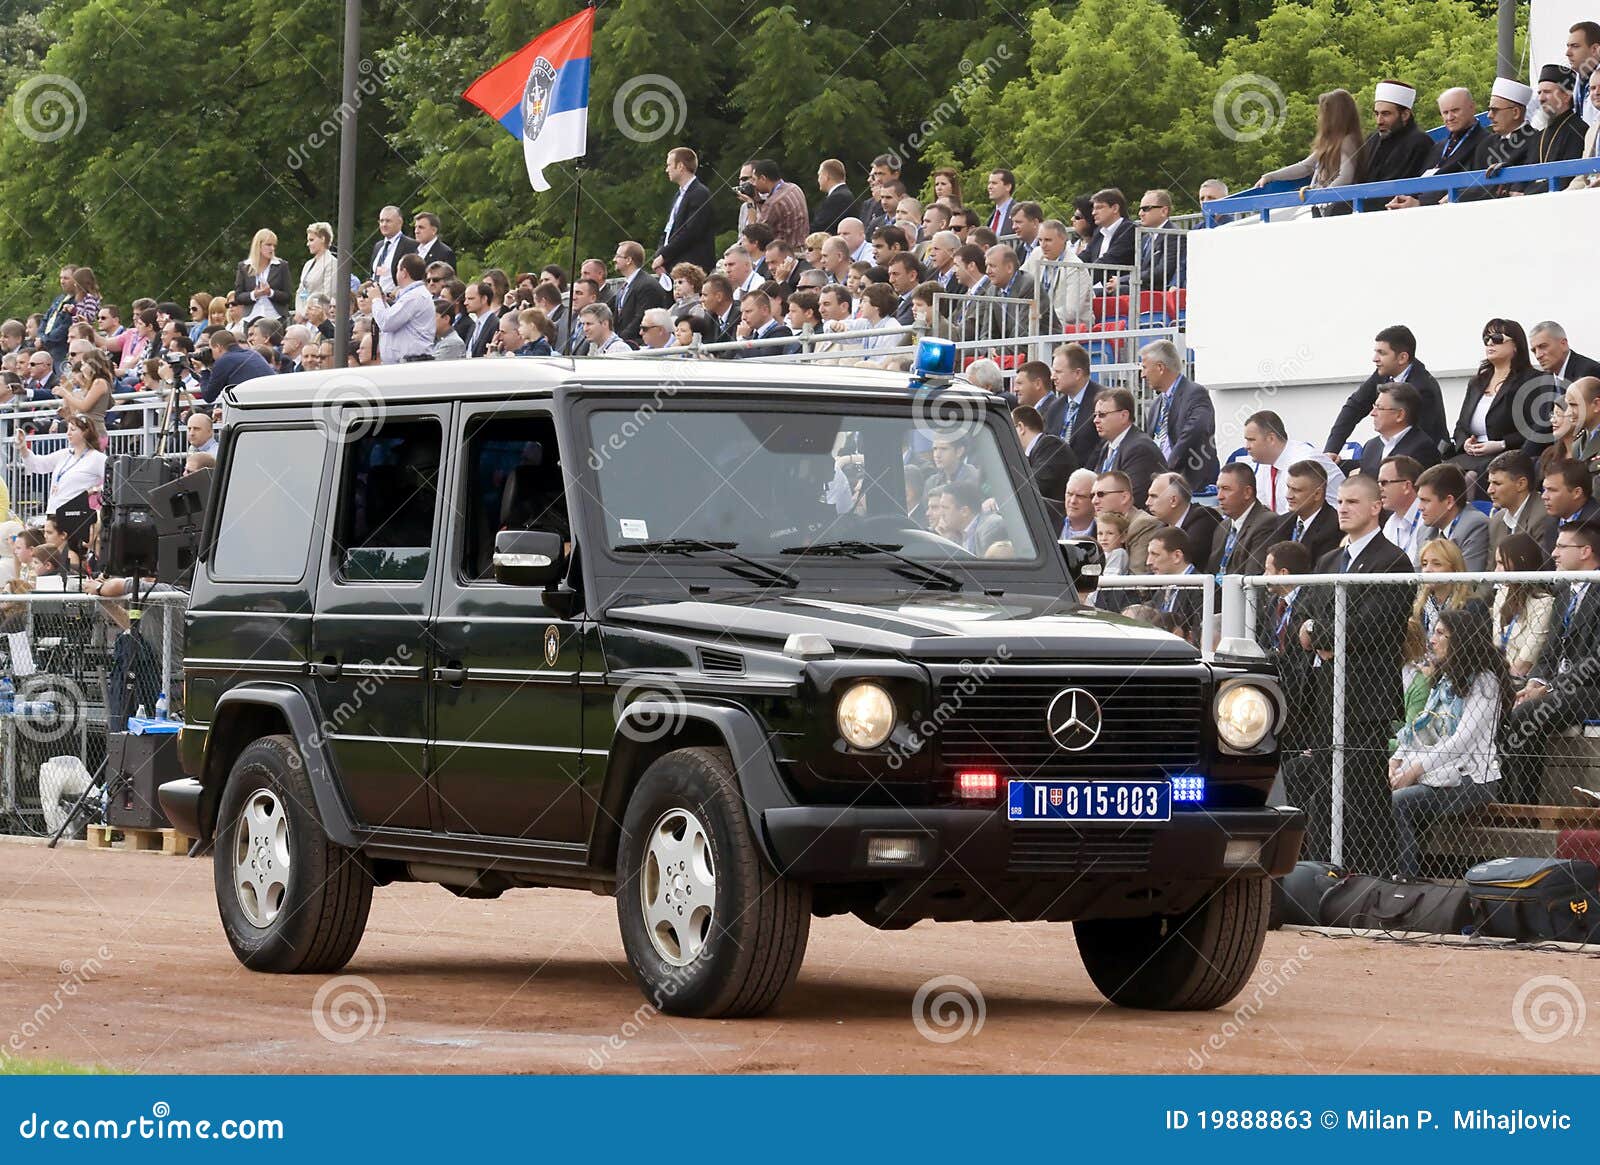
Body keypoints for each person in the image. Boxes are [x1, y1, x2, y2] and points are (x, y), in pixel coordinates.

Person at [1294, 474, 1415, 875]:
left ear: (1375, 506)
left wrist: (1322, 630)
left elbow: (1368, 629)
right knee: (1324, 793)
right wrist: (1319, 632)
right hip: (1323, 694)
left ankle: (1371, 880)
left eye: (1352, 502)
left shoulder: (1393, 561)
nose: (1342, 508)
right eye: (1340, 502)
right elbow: (1303, 619)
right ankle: (1326, 875)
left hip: (1365, 698)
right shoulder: (1329, 560)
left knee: (1363, 796)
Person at [1389, 608, 1511, 878]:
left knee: (1398, 802)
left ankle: (1404, 880)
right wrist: (1397, 758)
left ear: (1461, 639)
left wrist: (1414, 770)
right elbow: (1423, 725)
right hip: (1440, 773)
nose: (1432, 640)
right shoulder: (1446, 679)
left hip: (1474, 780)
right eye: (1434, 632)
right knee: (1379, 792)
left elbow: (1461, 741)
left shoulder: (1485, 683)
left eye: (1441, 633)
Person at [1504, 522, 1600, 802]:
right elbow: (1549, 650)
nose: (1554, 553)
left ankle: (1523, 806)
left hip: (1592, 690)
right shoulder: (1566, 590)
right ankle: (1506, 798)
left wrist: (1548, 690)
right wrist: (1536, 682)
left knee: (1526, 714)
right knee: (1506, 703)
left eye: (1561, 546)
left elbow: (1595, 661)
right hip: (1561, 687)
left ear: (1585, 551)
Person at [1261, 539, 1333, 857]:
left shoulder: (1313, 599)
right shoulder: (1269, 606)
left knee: (1300, 775)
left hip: (1310, 701)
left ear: (1284, 572)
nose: (1263, 576)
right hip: (1283, 699)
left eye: (1267, 569)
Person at [1449, 318, 1553, 490]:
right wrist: (1465, 442)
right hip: (1469, 456)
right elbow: (1461, 425)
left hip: (1506, 456)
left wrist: (1501, 444)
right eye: (1486, 339)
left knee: (1472, 479)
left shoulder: (1534, 381)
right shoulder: (1477, 382)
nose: (1490, 342)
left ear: (1515, 345)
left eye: (1497, 338)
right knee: (1440, 476)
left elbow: (1537, 428)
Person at [1325, 325, 1448, 457]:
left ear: (1402, 358)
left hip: (1421, 461)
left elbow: (1420, 443)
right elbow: (1355, 406)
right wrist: (1331, 450)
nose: (1375, 358)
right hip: (1394, 454)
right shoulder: (1384, 374)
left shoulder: (1423, 388)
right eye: (1376, 352)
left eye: (1382, 353)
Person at [1255, 88, 1364, 214]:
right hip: (1327, 206)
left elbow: (1345, 177)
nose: (1319, 117)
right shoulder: (1331, 142)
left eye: (1323, 113)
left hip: (1338, 209)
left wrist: (1321, 196)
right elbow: (1305, 166)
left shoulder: (1347, 141)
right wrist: (1270, 177)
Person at [1385, 88, 1488, 209]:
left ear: (1472, 107)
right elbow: (1422, 181)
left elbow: (1477, 188)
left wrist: (1421, 203)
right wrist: (1404, 199)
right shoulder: (1438, 147)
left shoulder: (1487, 142)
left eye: (1455, 110)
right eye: (1445, 113)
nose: (1449, 117)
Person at [1139, 339, 1217, 490]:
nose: (1142, 375)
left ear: (1160, 367)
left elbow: (1194, 434)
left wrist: (1165, 470)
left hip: (1193, 485)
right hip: (1163, 485)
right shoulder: (1156, 405)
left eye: (1144, 368)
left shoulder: (1195, 393)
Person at [1244, 409, 1342, 512]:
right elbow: (1260, 506)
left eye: (1251, 440)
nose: (1246, 447)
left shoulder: (1306, 461)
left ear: (1271, 439)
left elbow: (1295, 514)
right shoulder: (1266, 462)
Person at [1357, 80, 1433, 211]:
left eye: (1386, 114)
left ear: (1405, 115)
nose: (1379, 121)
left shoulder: (1420, 142)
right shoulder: (1372, 139)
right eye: (1377, 114)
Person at [1492, 533, 1555, 682]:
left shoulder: (1544, 603)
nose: (1496, 571)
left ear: (1520, 562)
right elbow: (1494, 646)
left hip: (1520, 682)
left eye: (1501, 563)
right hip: (1497, 676)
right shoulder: (1502, 594)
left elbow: (1524, 665)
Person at [1086, 387, 1162, 507]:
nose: (1095, 420)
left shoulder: (1140, 449)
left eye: (1102, 415)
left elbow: (1131, 500)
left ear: (1124, 416)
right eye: (1095, 415)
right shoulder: (1107, 446)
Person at [16, 414, 105, 516]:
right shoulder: (64, 454)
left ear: (86, 432)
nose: (68, 433)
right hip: (53, 512)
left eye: (73, 429)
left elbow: (113, 482)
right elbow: (37, 465)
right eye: (67, 429)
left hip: (77, 515)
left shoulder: (98, 458)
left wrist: (94, 490)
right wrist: (23, 447)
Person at [1416, 463, 1490, 572]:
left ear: (1449, 501)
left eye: (1426, 500)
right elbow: (1417, 578)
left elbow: (1468, 581)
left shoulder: (1475, 525)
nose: (1420, 507)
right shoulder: (1424, 531)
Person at [1206, 462, 1276, 579]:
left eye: (1226, 489)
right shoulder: (1223, 526)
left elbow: (1253, 575)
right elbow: (1211, 572)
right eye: (1218, 489)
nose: (1219, 496)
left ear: (1247, 492)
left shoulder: (1267, 522)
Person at [1358, 382, 1441, 479]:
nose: (1372, 413)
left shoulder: (1422, 448)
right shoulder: (1371, 446)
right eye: (1374, 407)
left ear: (1400, 415)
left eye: (1379, 408)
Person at [652, 147, 715, 274]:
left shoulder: (699, 193)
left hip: (692, 267)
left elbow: (691, 231)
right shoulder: (678, 195)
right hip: (674, 264)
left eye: (669, 165)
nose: (666, 169)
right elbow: (669, 229)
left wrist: (664, 255)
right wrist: (660, 254)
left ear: (680, 166)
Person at [1485, 450, 1552, 562]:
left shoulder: (1543, 516)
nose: (1489, 490)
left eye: (1497, 483)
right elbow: (1491, 570)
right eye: (1489, 483)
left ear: (1521, 484)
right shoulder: (1496, 521)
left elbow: (1539, 569)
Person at [367, 254, 433, 364]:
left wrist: (376, 299)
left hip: (410, 363)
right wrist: (383, 302)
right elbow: (394, 320)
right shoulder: (413, 294)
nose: (395, 273)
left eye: (397, 269)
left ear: (404, 273)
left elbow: (386, 323)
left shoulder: (414, 296)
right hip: (404, 363)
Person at [1012, 405, 1077, 516]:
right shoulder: (1035, 451)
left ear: (1021, 427)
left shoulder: (1051, 445)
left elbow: (1034, 485)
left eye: (1010, 427)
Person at [1274, 458, 1341, 563]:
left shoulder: (1335, 527)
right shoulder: (1281, 522)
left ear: (1317, 494)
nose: (1288, 496)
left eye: (1296, 490)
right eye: (1288, 488)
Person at [1093, 471, 1159, 575]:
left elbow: (1137, 581)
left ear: (1124, 497)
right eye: (1092, 495)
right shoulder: (1101, 524)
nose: (1094, 501)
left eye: (1101, 494)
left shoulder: (1144, 524)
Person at [610, 240, 672, 347]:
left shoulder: (647, 285)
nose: (614, 259)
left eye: (618, 256)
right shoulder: (625, 286)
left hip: (638, 346)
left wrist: (618, 341)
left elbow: (640, 318)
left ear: (629, 260)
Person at [1146, 526, 1201, 643]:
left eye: (1155, 554)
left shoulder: (1202, 589)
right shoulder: (1162, 590)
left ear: (1177, 556)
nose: (1148, 562)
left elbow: (1200, 636)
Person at [1540, 458, 1600, 557]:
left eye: (1552, 490)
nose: (1544, 496)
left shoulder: (1596, 524)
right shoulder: (1549, 522)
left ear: (1577, 493)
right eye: (1544, 489)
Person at [1533, 64, 1587, 168]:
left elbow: (1569, 175)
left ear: (1566, 96)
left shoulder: (1579, 130)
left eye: (1547, 92)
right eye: (1539, 93)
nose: (1541, 98)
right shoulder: (1539, 135)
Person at [1148, 471, 1221, 547]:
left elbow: (1185, 557)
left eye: (1154, 496)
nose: (1147, 502)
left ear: (1174, 501)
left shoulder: (1204, 520)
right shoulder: (1161, 527)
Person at [234, 229, 291, 326]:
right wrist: (254, 294)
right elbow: (238, 297)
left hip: (276, 320)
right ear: (258, 246)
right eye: (268, 245)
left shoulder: (281, 265)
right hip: (251, 320)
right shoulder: (244, 266)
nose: (272, 248)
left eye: (274, 245)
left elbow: (288, 296)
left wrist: (270, 293)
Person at [748, 159, 808, 250]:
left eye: (754, 179)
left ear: (763, 178)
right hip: (802, 248)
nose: (753, 184)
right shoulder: (794, 188)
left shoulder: (774, 203)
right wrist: (757, 200)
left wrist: (750, 204)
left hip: (784, 254)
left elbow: (754, 236)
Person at [203, 329, 275, 404]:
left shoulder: (224, 360)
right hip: (271, 401)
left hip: (252, 407)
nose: (211, 354)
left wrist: (203, 369)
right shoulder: (254, 353)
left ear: (218, 347)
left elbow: (208, 397)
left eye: (211, 349)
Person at [1529, 321, 1600, 387]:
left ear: (1563, 344)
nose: (1538, 355)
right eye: (1534, 350)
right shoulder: (1543, 380)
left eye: (1543, 346)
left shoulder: (1589, 373)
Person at [369, 205, 417, 298]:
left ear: (400, 222)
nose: (384, 224)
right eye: (381, 221)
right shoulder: (378, 246)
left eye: (388, 221)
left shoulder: (411, 245)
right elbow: (372, 273)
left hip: (396, 300)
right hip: (376, 301)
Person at [1082, 188, 1134, 270]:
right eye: (1093, 209)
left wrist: (1083, 276)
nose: (1093, 213)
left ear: (1115, 208)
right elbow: (1085, 255)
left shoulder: (1129, 229)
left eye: (1099, 207)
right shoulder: (1099, 231)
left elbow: (1110, 259)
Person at [297, 222, 340, 314]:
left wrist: (308, 313)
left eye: (311, 240)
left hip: (320, 316)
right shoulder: (308, 264)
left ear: (323, 239)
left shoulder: (332, 262)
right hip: (304, 314)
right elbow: (300, 291)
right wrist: (300, 312)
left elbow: (328, 295)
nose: (308, 244)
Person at [1060, 468, 1097, 540]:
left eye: (1080, 496)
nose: (1072, 501)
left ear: (1094, 499)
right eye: (1069, 494)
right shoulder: (1045, 515)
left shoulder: (1106, 531)